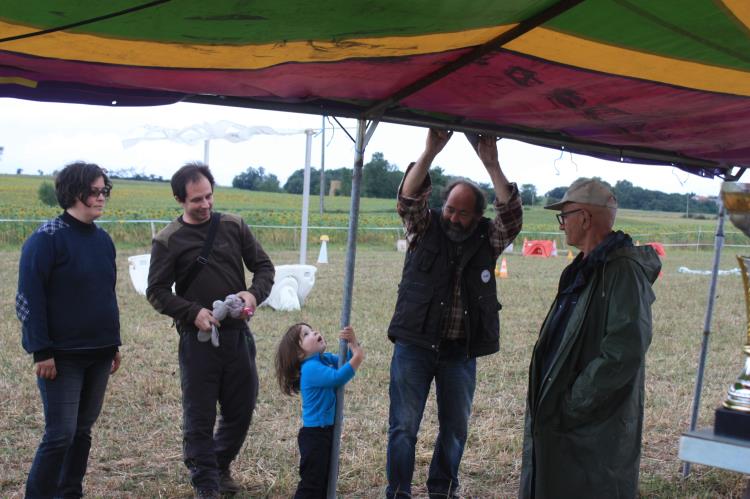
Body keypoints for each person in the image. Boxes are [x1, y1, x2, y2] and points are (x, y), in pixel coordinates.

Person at [386, 128, 523, 498]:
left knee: (455, 429)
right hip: (414, 344)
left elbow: (511, 217)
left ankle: (442, 490)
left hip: (459, 353)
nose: (454, 217)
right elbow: (408, 198)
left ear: (479, 216)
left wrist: (491, 163)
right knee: (403, 427)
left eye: (463, 213)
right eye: (450, 208)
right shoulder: (423, 226)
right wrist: (430, 150)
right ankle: (397, 492)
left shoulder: (488, 237)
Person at [519, 178, 661, 498]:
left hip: (590, 421)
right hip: (566, 412)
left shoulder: (621, 271)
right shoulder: (585, 268)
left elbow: (624, 352)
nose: (561, 225)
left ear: (584, 218)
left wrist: (573, 403)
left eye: (564, 216)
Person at [146, 162, 275, 498]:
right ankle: (206, 485)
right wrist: (193, 313)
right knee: (199, 417)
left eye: (209, 197)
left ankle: (218, 466)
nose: (205, 205)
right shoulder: (168, 240)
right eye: (196, 200)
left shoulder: (233, 225)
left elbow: (264, 267)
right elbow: (156, 291)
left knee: (241, 410)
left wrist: (252, 294)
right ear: (179, 199)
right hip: (198, 341)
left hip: (238, 337)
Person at [16, 162, 122, 498]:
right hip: (62, 357)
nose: (102, 196)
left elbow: (106, 295)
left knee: (82, 432)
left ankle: (69, 493)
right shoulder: (46, 239)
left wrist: (113, 344)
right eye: (95, 190)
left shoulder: (104, 240)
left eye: (105, 189)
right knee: (60, 433)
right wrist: (41, 350)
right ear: (74, 192)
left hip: (100, 353)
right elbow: (27, 299)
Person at [275, 323, 365, 498]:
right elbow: (337, 378)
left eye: (312, 329)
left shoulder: (323, 359)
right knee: (312, 484)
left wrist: (353, 343)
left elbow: (344, 360)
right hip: (315, 436)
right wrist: (358, 357)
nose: (315, 332)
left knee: (327, 479)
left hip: (326, 432)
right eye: (306, 334)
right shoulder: (310, 369)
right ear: (300, 353)